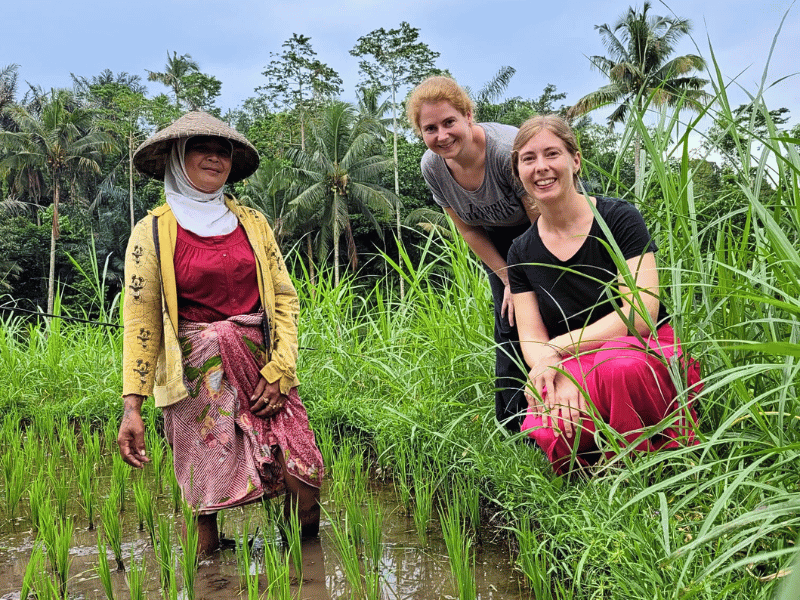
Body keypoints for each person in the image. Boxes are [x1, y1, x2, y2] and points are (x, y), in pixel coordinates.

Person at [117, 111, 323, 553]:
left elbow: (284, 298)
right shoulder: (151, 231)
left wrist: (281, 369)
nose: (215, 157)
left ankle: (304, 568)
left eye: (223, 150)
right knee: (203, 494)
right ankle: (210, 574)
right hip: (195, 372)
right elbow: (141, 319)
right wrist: (132, 405)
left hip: (260, 364)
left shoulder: (253, 223)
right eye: (201, 148)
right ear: (176, 157)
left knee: (302, 476)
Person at [506, 114, 700, 474]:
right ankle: (601, 450)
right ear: (518, 171)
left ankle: (640, 463)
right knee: (557, 426)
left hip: (640, 346)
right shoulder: (520, 250)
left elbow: (641, 314)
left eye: (552, 154)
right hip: (572, 359)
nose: (541, 167)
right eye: (528, 159)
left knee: (618, 369)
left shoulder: (619, 218)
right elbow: (531, 339)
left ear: (575, 160)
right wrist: (556, 365)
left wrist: (558, 350)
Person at [407, 75, 534, 431]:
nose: (442, 135)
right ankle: (514, 427)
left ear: (468, 115)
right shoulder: (432, 167)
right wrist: (508, 276)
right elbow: (466, 227)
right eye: (430, 128)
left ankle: (569, 414)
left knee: (552, 314)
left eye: (449, 122)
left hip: (544, 227)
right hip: (495, 239)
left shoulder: (504, 151)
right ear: (420, 133)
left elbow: (542, 214)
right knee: (509, 321)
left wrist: (526, 277)